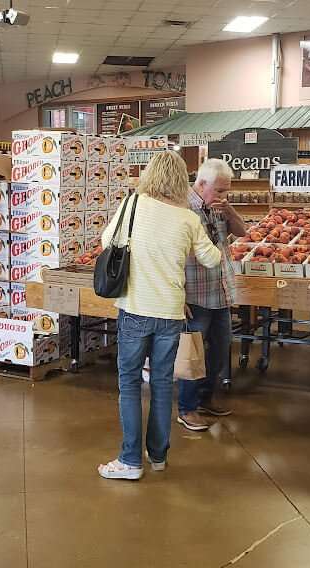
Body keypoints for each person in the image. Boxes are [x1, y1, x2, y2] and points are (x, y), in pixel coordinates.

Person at [97, 151, 221, 480]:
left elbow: (107, 240)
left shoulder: (132, 205)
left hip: (135, 309)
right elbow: (212, 259)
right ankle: (158, 456)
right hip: (171, 313)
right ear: (182, 181)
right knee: (164, 384)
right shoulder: (189, 219)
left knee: (130, 383)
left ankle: (129, 461)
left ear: (150, 175)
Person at [177, 159, 247, 432]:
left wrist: (228, 209)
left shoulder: (220, 207)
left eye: (226, 191)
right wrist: (178, 295)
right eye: (219, 191)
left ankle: (205, 398)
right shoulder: (182, 208)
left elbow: (242, 232)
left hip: (220, 291)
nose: (223, 195)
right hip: (195, 293)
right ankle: (187, 408)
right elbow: (172, 254)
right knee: (192, 353)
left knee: (220, 350)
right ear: (201, 184)